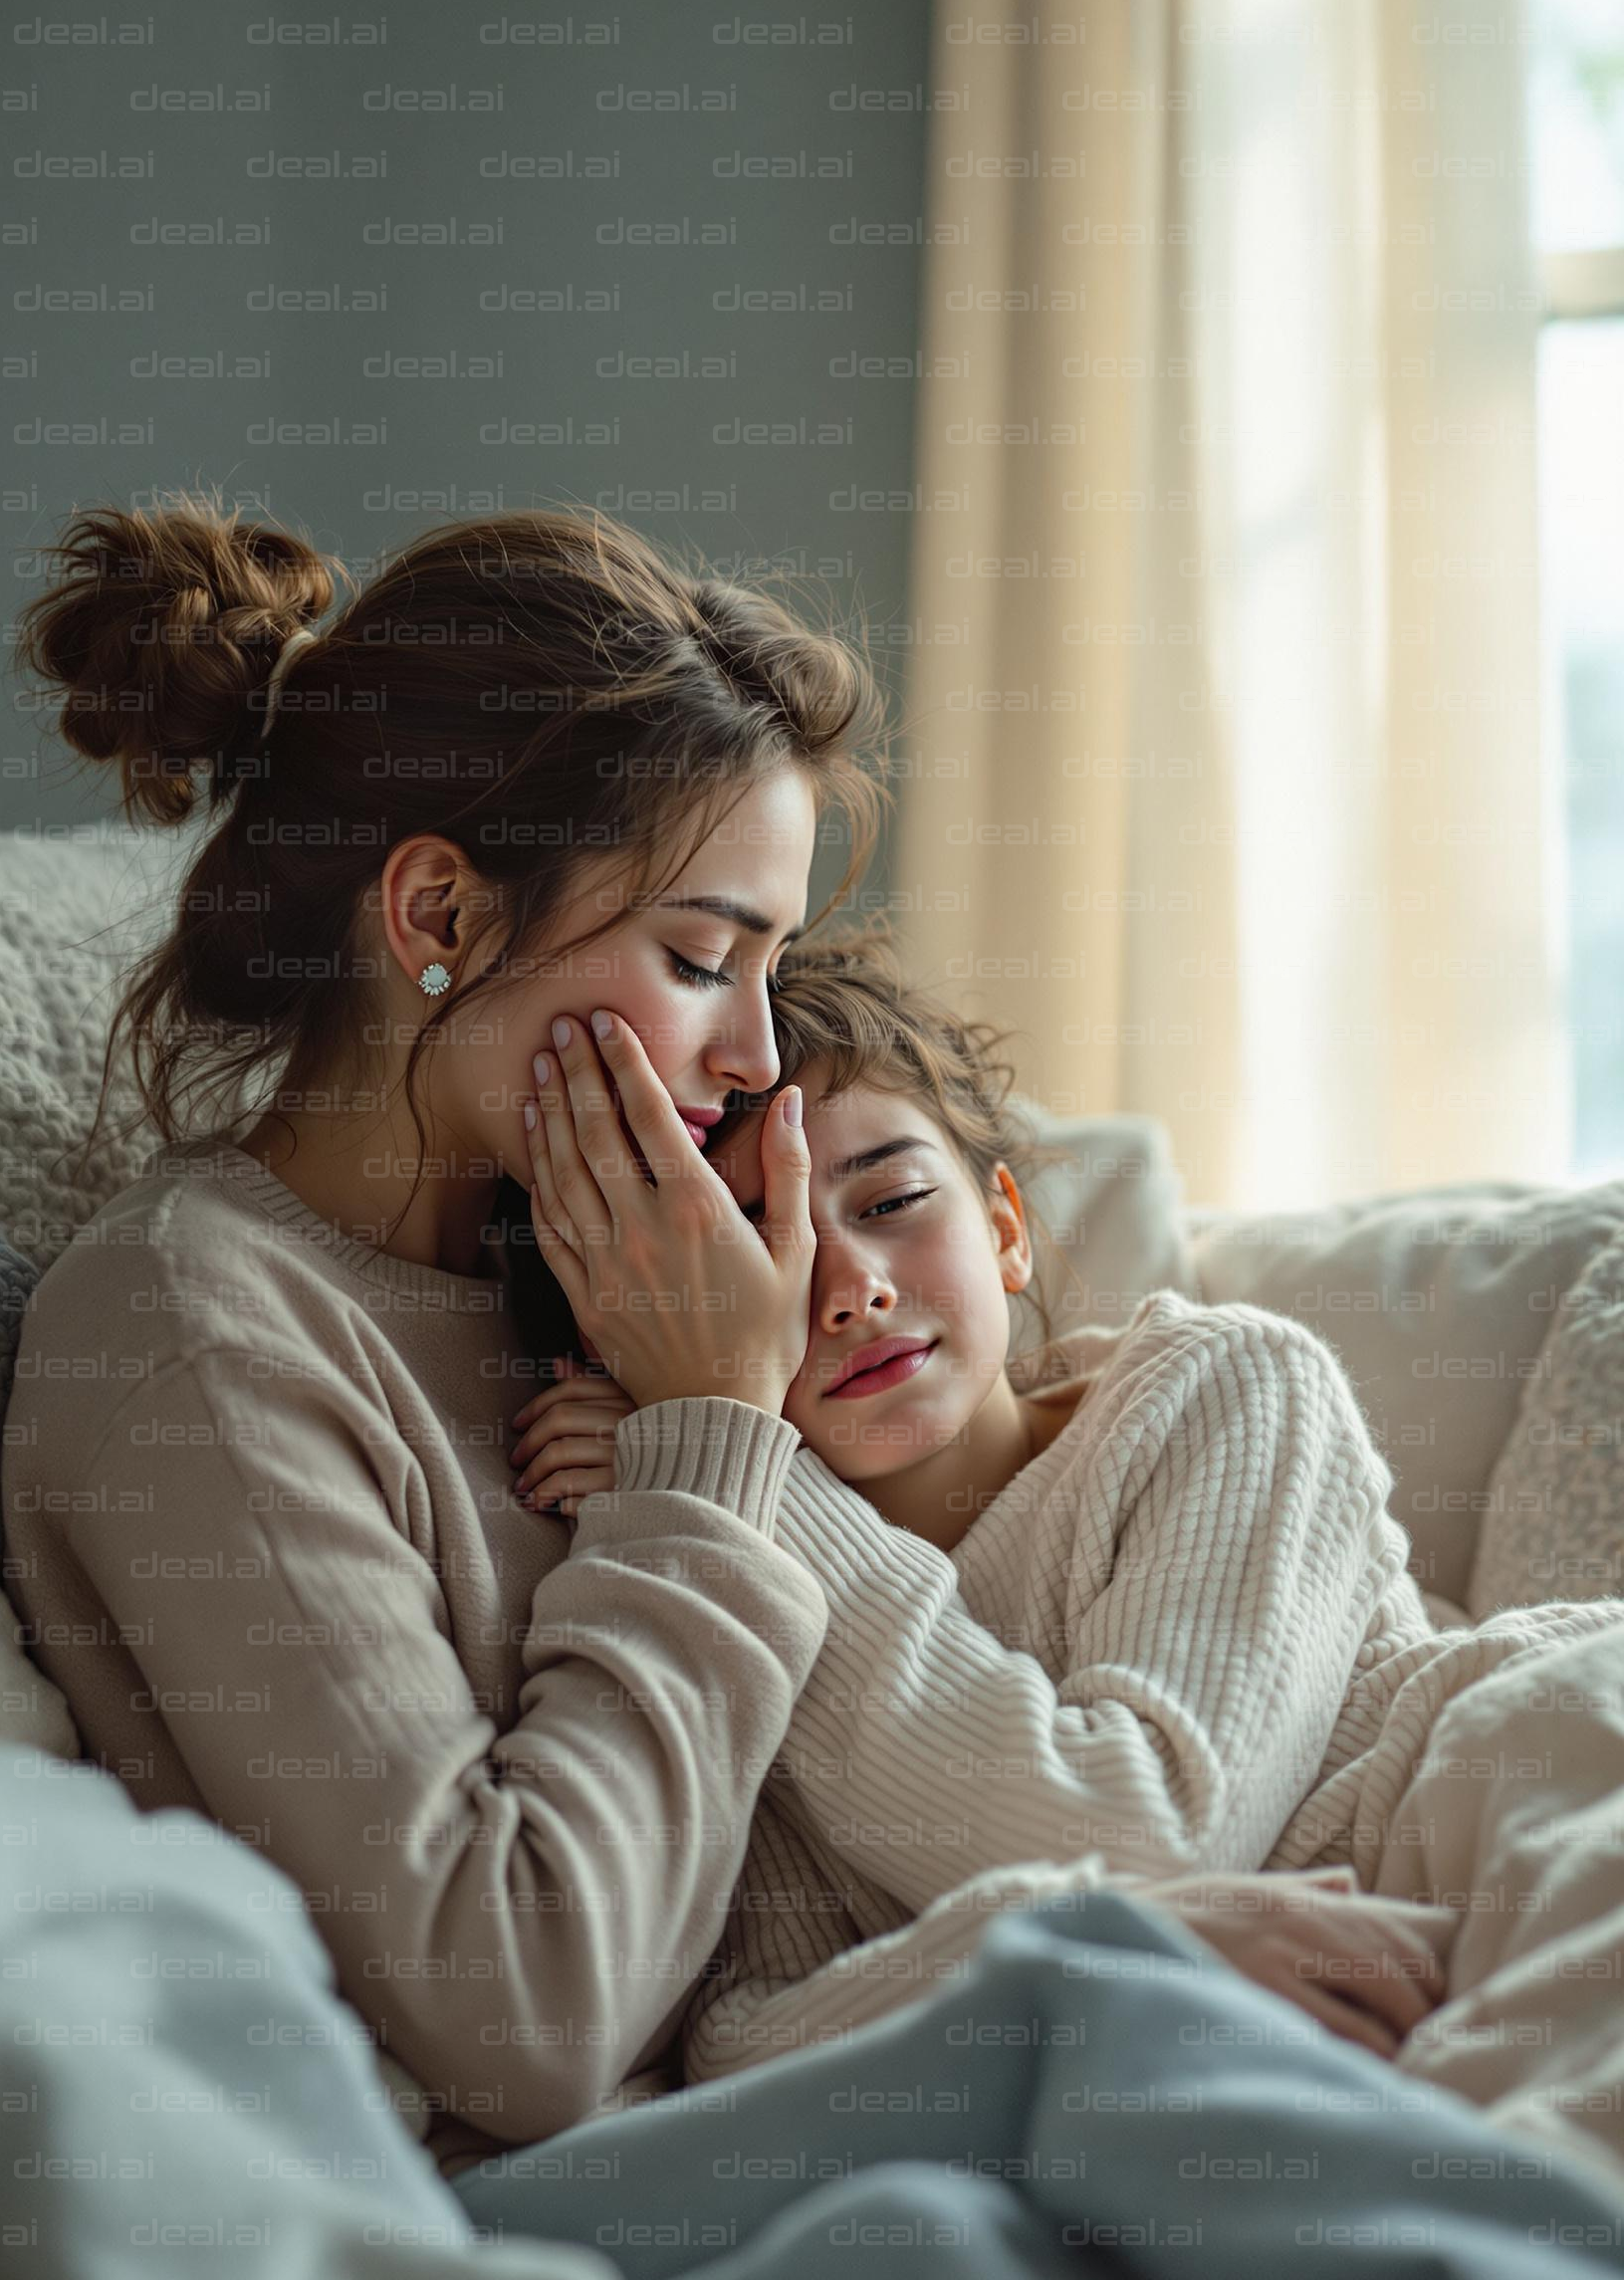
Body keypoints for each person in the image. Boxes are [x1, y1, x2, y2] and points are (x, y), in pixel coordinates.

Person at [0, 487, 887, 2183]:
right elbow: (524, 2017)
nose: (756, 1057)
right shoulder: (190, 1329)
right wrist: (710, 1440)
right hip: (525, 2208)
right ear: (433, 919)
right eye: (702, 957)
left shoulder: (581, 1285)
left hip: (797, 2073)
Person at [511, 920, 1624, 2169]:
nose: (851, 1287)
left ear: (1003, 1231)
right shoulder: (744, 1613)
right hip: (1323, 2040)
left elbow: (1149, 1832)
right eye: (761, 1250)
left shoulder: (1220, 1388)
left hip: (1525, 1781)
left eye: (889, 1202)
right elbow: (751, 2046)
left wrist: (753, 1476)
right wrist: (1082, 1953)